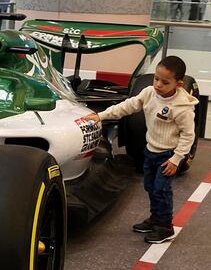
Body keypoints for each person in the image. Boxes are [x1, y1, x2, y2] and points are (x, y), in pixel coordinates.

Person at [84, 56, 197, 244]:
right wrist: (101, 116)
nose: (158, 84)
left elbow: (188, 136)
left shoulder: (182, 108)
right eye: (156, 79)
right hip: (150, 151)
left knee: (161, 190)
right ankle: (155, 219)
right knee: (150, 187)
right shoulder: (149, 93)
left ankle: (165, 227)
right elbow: (128, 106)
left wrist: (176, 159)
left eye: (165, 82)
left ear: (178, 84)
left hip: (168, 156)